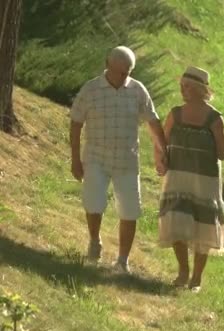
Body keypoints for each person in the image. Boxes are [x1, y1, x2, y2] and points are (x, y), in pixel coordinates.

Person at [69, 46, 167, 273]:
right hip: (96, 156)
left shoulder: (137, 90)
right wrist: (75, 159)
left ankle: (122, 261)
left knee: (130, 209)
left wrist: (163, 151)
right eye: (121, 72)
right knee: (93, 202)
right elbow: (75, 123)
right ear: (108, 65)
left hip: (126, 158)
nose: (125, 77)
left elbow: (153, 123)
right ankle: (94, 241)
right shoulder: (91, 89)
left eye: (128, 72)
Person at [159, 66, 224, 291]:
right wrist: (160, 161)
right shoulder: (175, 114)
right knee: (176, 221)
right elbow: (161, 144)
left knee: (203, 227)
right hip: (178, 177)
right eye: (182, 85)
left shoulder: (215, 118)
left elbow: (222, 152)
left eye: (188, 86)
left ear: (201, 90)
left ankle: (197, 278)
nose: (183, 90)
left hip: (205, 180)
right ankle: (183, 272)